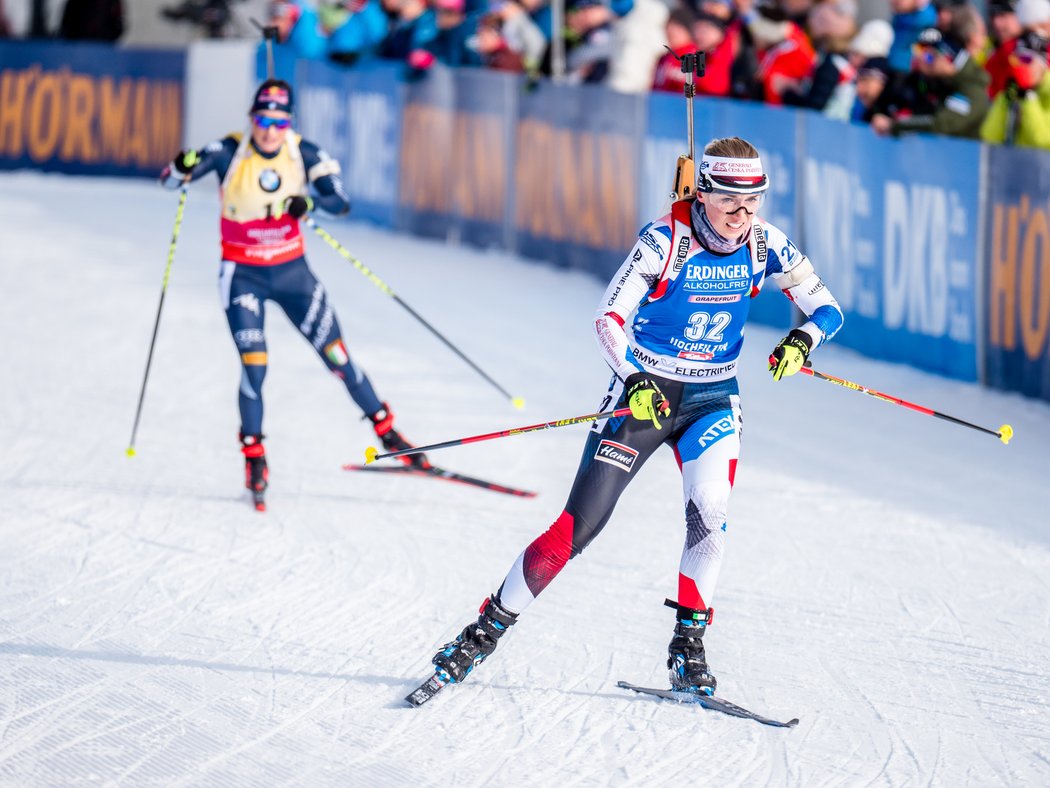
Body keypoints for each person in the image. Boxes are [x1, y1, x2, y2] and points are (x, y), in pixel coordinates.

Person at [420, 137, 844, 697]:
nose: (743, 216)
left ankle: (687, 647)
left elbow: (827, 307)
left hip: (713, 399)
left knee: (710, 515)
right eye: (731, 203)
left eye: (755, 201)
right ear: (705, 192)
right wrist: (633, 378)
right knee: (578, 528)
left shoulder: (766, 244)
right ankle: (483, 633)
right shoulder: (665, 241)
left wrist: (802, 340)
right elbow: (607, 318)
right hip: (647, 396)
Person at [159, 79, 428, 507]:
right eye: (263, 120)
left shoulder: (304, 152)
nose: (270, 130)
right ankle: (255, 457)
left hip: (292, 275)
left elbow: (340, 201)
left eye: (279, 121)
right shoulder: (229, 150)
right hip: (242, 275)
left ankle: (389, 433)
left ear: (290, 123)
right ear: (252, 119)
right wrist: (180, 165)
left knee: (338, 356)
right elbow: (172, 182)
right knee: (255, 365)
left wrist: (311, 206)